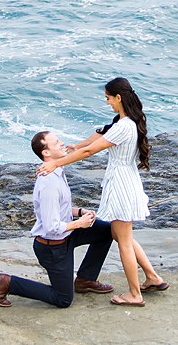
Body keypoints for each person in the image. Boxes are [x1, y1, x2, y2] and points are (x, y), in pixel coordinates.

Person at [38, 77, 168, 307]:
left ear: (118, 97)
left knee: (124, 241)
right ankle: (152, 277)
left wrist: (56, 163)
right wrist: (76, 145)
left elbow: (91, 151)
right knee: (120, 235)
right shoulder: (124, 120)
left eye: (108, 98)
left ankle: (135, 294)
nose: (106, 101)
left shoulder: (124, 126)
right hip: (126, 181)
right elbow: (101, 134)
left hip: (120, 185)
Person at [0, 131, 115, 308]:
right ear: (46, 153)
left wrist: (80, 212)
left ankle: (85, 280)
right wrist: (80, 223)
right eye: (56, 142)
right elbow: (51, 227)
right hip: (53, 247)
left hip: (69, 234)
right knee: (63, 300)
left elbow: (60, 209)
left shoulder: (58, 170)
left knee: (107, 230)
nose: (62, 143)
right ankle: (8, 282)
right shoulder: (49, 183)